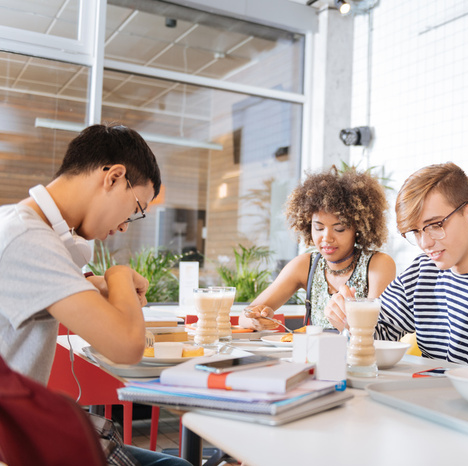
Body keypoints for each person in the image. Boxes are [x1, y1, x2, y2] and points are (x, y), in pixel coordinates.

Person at [0, 124, 192, 465]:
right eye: (135, 209)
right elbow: (126, 347)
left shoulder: (20, 224)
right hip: (13, 441)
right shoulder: (28, 238)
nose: (123, 227)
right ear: (114, 177)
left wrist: (98, 284)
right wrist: (117, 275)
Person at [325, 162, 468, 367]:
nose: (425, 243)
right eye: (416, 231)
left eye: (435, 225)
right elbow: (380, 335)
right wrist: (350, 322)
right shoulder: (422, 272)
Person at [239, 165, 396, 330]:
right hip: (314, 356)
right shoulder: (305, 265)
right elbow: (245, 315)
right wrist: (257, 318)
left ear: (357, 229)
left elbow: (379, 334)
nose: (326, 238)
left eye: (339, 229)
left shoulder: (378, 265)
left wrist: (349, 326)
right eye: (319, 228)